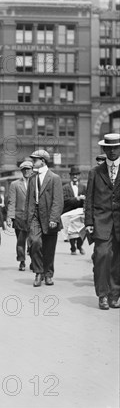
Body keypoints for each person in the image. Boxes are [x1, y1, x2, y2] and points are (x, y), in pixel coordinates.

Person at [85, 133, 120, 310]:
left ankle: (115, 295)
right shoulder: (95, 172)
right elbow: (89, 199)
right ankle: (103, 295)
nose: (112, 151)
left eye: (116, 147)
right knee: (102, 256)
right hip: (101, 222)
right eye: (109, 148)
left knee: (118, 260)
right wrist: (89, 222)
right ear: (104, 149)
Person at [24, 150, 63, 287]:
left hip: (49, 217)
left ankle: (48, 274)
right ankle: (38, 272)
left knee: (49, 247)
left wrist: (54, 218)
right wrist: (27, 218)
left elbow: (58, 200)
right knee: (35, 242)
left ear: (43, 161)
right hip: (34, 217)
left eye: (35, 160)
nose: (33, 162)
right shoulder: (32, 178)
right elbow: (28, 199)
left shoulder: (54, 178)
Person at [6, 161, 33, 271]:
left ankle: (34, 260)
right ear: (21, 171)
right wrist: (9, 217)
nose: (26, 171)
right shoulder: (15, 184)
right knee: (21, 241)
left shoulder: (36, 184)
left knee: (33, 241)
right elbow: (12, 201)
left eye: (28, 169)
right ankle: (22, 261)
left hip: (33, 218)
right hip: (19, 217)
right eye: (24, 169)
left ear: (32, 170)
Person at [62, 165, 86, 255]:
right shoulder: (65, 187)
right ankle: (73, 247)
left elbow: (88, 198)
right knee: (71, 230)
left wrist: (84, 199)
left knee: (82, 230)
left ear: (79, 176)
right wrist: (77, 199)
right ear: (70, 176)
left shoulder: (83, 187)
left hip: (80, 212)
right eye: (73, 174)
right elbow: (64, 200)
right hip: (69, 211)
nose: (75, 176)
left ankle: (80, 245)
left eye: (77, 174)